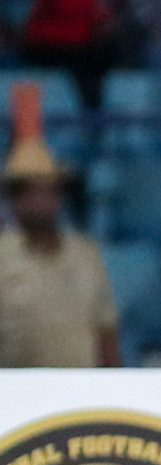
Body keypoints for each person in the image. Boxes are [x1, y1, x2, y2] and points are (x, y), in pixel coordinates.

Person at [0, 137, 120, 367]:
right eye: (28, 192)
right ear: (15, 201)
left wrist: (116, 386)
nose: (39, 201)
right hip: (15, 392)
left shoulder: (85, 253)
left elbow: (106, 329)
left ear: (58, 197)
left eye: (48, 191)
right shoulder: (2, 256)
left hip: (79, 391)